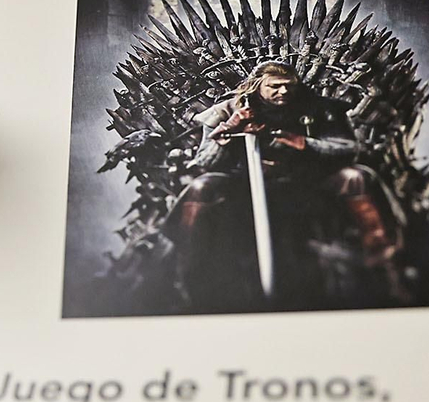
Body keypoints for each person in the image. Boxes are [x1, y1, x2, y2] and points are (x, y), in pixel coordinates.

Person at [159, 60, 405, 309]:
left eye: (289, 85)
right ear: (257, 86)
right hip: (242, 186)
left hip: (306, 182)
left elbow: (349, 148)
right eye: (275, 86)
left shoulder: (318, 108)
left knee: (355, 177)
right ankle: (188, 274)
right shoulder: (227, 111)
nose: (284, 91)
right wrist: (229, 130)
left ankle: (386, 268)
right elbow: (205, 161)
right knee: (201, 187)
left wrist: (305, 143)